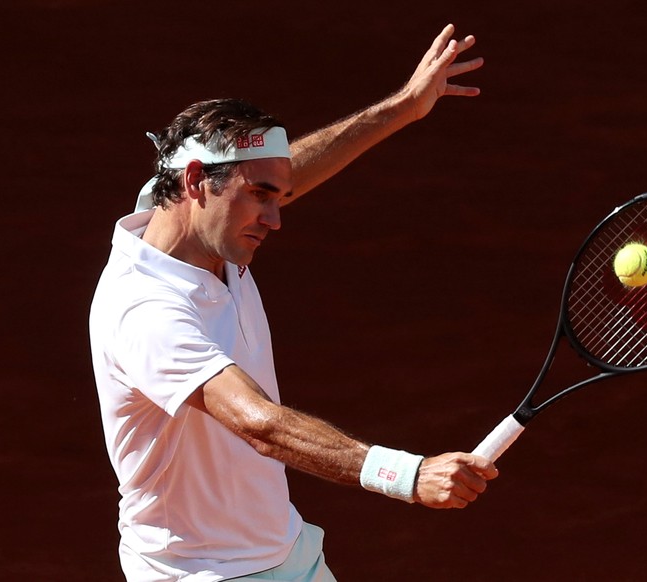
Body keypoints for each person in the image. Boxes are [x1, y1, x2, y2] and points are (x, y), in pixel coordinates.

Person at [90, 24, 498, 582]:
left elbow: (282, 173)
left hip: (285, 551)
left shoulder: (191, 216)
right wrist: (406, 474)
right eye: (260, 197)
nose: (277, 218)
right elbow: (260, 425)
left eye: (278, 197)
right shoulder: (146, 312)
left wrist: (402, 107)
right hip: (204, 575)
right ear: (195, 182)